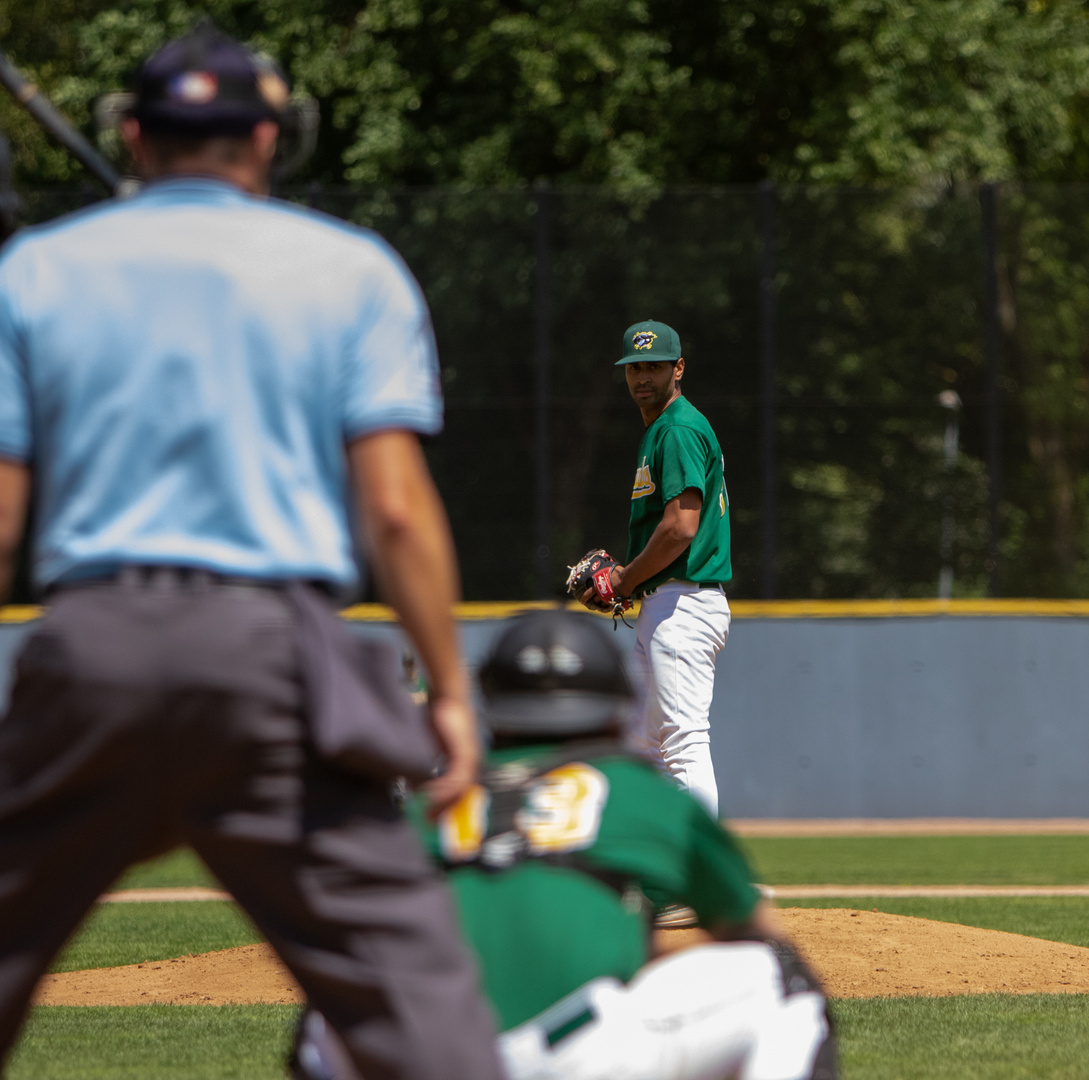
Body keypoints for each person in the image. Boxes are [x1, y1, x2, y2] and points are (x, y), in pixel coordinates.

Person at [0, 24, 503, 1079]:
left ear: (135, 135)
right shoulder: (350, 269)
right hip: (279, 660)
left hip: (91, 649)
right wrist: (448, 686)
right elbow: (398, 512)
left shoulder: (35, 270)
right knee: (422, 1015)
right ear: (271, 139)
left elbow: (2, 516)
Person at [293, 609, 837, 1080]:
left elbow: (346, 929)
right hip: (577, 1057)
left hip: (427, 1054)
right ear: (615, 706)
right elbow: (750, 926)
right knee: (780, 975)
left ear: (490, 705)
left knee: (323, 1013)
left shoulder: (426, 807)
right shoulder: (638, 792)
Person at [582, 320, 732, 825]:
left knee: (683, 740)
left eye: (655, 366)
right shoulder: (663, 430)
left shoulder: (678, 428)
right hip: (669, 603)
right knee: (648, 745)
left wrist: (622, 580)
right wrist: (631, 582)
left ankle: (701, 881)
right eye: (635, 368)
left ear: (678, 368)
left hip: (685, 603)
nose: (643, 377)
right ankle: (662, 872)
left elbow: (681, 526)